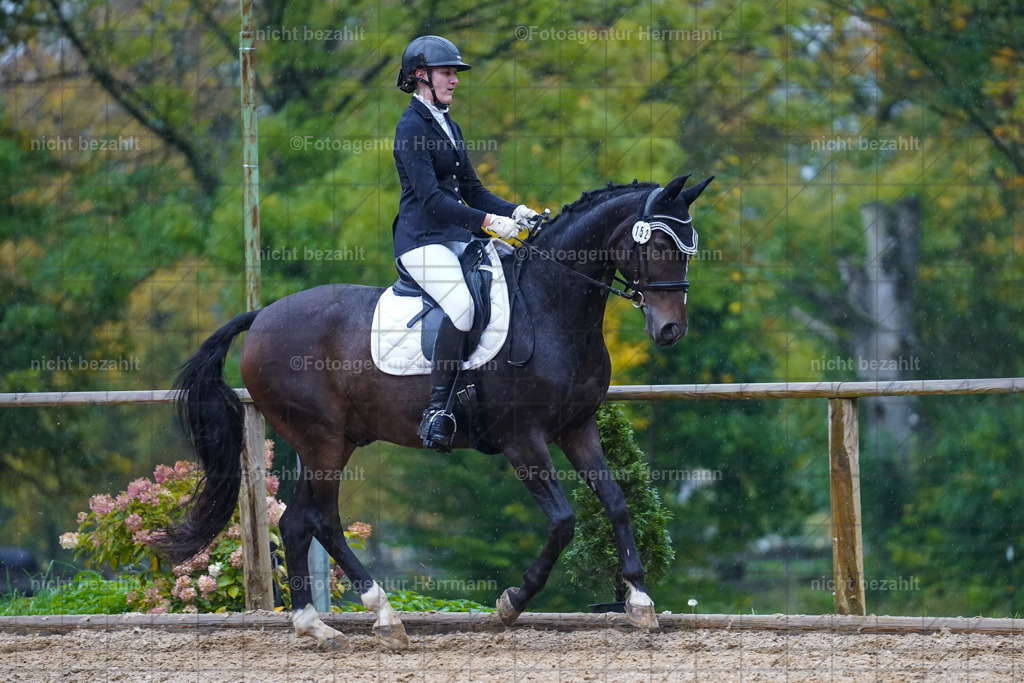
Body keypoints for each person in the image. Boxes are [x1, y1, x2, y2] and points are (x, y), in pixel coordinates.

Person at [393, 35, 538, 452]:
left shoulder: (448, 124)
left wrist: (517, 212)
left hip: (456, 236)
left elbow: (472, 190)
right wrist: (491, 223)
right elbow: (432, 199)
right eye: (447, 72)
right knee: (461, 306)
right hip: (421, 241)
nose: (454, 80)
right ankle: (437, 410)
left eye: (455, 73)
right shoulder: (411, 127)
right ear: (421, 76)